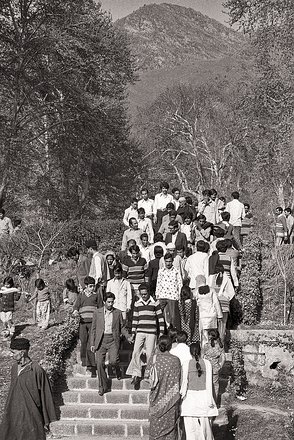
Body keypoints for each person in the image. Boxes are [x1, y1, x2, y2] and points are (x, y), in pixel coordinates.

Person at [0, 338, 57, 440]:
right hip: (13, 413)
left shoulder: (37, 370)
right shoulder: (14, 368)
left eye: (13, 352)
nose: (11, 355)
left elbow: (45, 395)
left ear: (22, 353)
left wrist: (46, 421)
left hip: (31, 417)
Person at [90, 292, 131, 396]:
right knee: (99, 364)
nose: (110, 304)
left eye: (112, 302)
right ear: (104, 302)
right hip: (101, 340)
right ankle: (102, 387)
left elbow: (122, 327)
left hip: (113, 339)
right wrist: (92, 343)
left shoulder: (117, 313)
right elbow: (93, 329)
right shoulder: (97, 312)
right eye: (108, 302)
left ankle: (116, 368)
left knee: (113, 361)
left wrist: (128, 336)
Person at [127, 283, 165, 388]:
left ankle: (149, 375)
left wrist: (161, 332)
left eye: (145, 294)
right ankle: (136, 374)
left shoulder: (155, 303)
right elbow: (135, 319)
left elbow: (160, 318)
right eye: (142, 294)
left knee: (150, 354)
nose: (143, 296)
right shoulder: (137, 304)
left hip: (151, 332)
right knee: (136, 352)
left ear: (149, 292)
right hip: (140, 331)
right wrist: (133, 333)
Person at [180, 342, 218, 440]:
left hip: (190, 400)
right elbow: (211, 384)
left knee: (191, 432)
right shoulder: (207, 363)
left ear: (190, 352)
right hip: (205, 399)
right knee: (207, 431)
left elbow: (183, 384)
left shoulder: (186, 364)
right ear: (200, 351)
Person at [148, 335, 181, 440]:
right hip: (171, 400)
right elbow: (178, 380)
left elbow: (146, 377)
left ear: (158, 345)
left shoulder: (153, 359)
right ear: (170, 347)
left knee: (155, 429)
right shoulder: (175, 360)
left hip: (156, 400)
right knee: (170, 429)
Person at [73, 276, 101, 375]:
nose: (92, 288)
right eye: (90, 286)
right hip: (83, 322)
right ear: (86, 286)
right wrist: (76, 311)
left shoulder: (96, 295)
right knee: (83, 341)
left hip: (93, 323)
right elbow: (76, 306)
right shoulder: (81, 295)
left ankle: (92, 365)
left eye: (93, 286)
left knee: (91, 343)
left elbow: (100, 308)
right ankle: (84, 361)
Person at [155, 253, 182, 328]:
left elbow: (180, 283)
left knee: (173, 317)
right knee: (159, 315)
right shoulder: (161, 271)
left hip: (173, 296)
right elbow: (158, 282)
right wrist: (157, 294)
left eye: (170, 261)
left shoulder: (176, 271)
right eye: (166, 261)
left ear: (172, 261)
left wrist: (179, 295)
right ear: (164, 261)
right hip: (162, 295)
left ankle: (172, 333)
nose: (168, 263)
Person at [195, 276, 223, 346]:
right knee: (213, 335)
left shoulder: (196, 291)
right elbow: (216, 302)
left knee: (204, 336)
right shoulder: (211, 290)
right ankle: (214, 349)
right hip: (212, 315)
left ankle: (205, 351)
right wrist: (220, 315)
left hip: (203, 316)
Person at [203, 329, 225, 403]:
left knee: (206, 385)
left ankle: (207, 402)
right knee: (215, 386)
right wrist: (220, 367)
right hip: (215, 368)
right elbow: (224, 358)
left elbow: (202, 357)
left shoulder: (206, 346)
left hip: (206, 368)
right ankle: (214, 402)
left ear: (210, 336)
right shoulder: (220, 346)